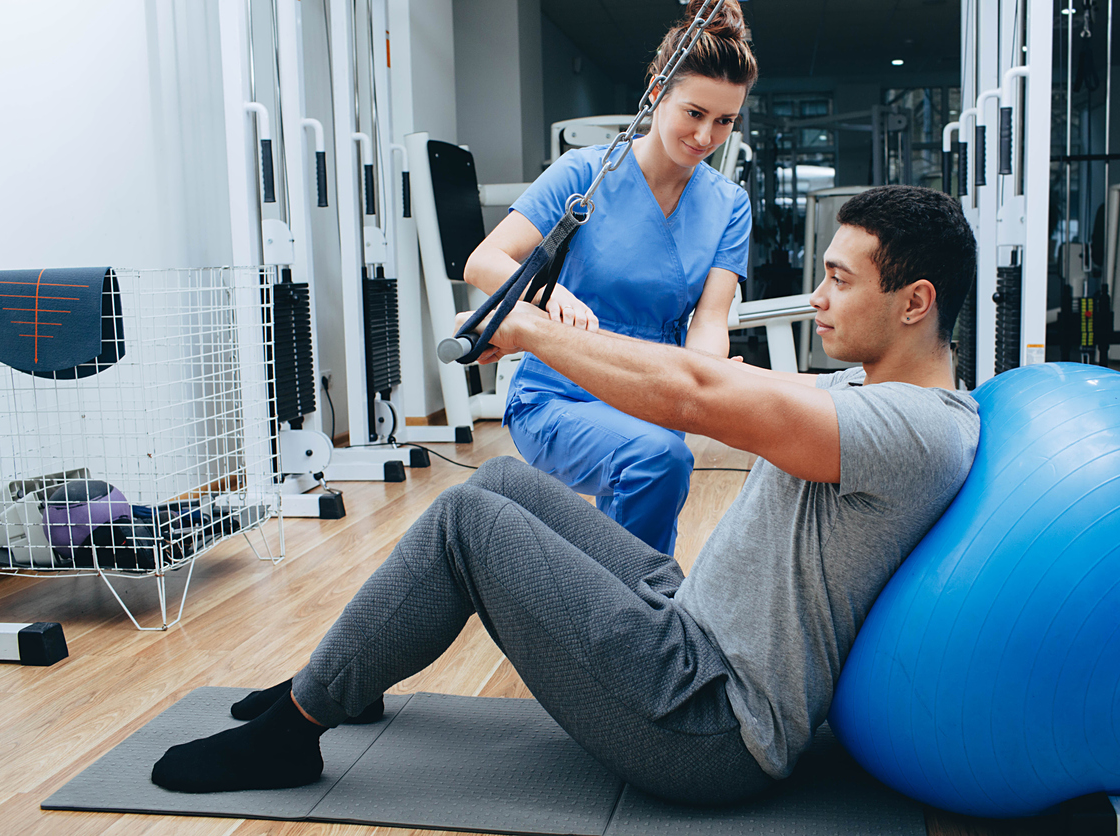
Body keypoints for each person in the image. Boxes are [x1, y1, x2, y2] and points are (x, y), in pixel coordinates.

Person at [151, 185, 981, 807]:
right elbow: (711, 377)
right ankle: (346, 674)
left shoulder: (911, 428)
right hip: (690, 618)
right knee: (507, 479)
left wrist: (527, 329)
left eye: (840, 281)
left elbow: (697, 395)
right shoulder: (874, 393)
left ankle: (295, 733)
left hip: (709, 716)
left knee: (469, 521)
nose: (818, 297)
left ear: (915, 302)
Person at [462, 0, 758, 556]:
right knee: (656, 461)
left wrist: (709, 375)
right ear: (655, 95)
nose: (706, 136)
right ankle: (635, 619)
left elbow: (710, 321)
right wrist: (551, 295)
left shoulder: (729, 205)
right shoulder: (584, 174)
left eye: (724, 121)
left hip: (655, 391)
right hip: (560, 392)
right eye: (693, 113)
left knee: (654, 461)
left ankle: (627, 616)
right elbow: (484, 261)